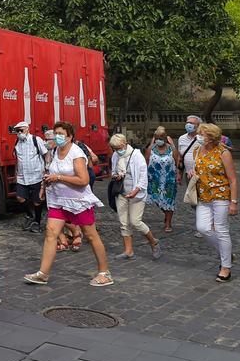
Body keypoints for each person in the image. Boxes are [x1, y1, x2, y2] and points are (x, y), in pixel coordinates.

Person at [24, 120, 112, 288]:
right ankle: (43, 273)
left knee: (91, 235)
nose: (57, 137)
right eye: (55, 133)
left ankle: (104, 272)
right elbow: (50, 171)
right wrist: (45, 185)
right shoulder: (54, 151)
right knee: (51, 233)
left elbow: (83, 180)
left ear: (70, 137)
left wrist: (58, 178)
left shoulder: (76, 153)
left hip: (78, 201)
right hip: (58, 201)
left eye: (61, 134)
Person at [190, 123, 238, 281]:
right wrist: (192, 173)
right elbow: (198, 169)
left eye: (201, 134)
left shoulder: (223, 153)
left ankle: (226, 268)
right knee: (202, 228)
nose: (198, 136)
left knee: (221, 230)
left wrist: (233, 202)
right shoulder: (197, 151)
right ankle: (227, 253)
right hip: (203, 196)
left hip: (221, 195)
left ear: (211, 137)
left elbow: (233, 179)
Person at [109, 133, 161, 260]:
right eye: (114, 149)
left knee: (135, 221)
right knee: (124, 223)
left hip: (136, 194)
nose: (117, 151)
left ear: (125, 144)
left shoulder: (136, 155)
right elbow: (113, 171)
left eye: (119, 148)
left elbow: (143, 177)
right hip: (121, 192)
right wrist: (116, 175)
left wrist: (136, 191)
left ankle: (153, 241)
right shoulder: (116, 155)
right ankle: (128, 250)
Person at [12, 120, 49, 234]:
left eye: (21, 130)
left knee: (37, 201)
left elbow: (45, 154)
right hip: (22, 177)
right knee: (20, 197)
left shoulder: (36, 140)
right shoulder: (17, 141)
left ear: (27, 129)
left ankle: (37, 222)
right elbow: (18, 159)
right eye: (17, 131)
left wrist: (47, 167)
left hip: (36, 175)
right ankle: (29, 214)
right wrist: (15, 173)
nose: (19, 133)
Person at [146, 127, 178, 232]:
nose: (159, 139)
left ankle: (168, 223)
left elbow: (177, 163)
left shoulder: (172, 149)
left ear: (165, 138)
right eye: (157, 138)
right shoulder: (150, 149)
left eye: (161, 137)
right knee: (157, 199)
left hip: (169, 180)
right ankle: (166, 214)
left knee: (169, 200)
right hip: (154, 180)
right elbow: (145, 164)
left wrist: (178, 176)